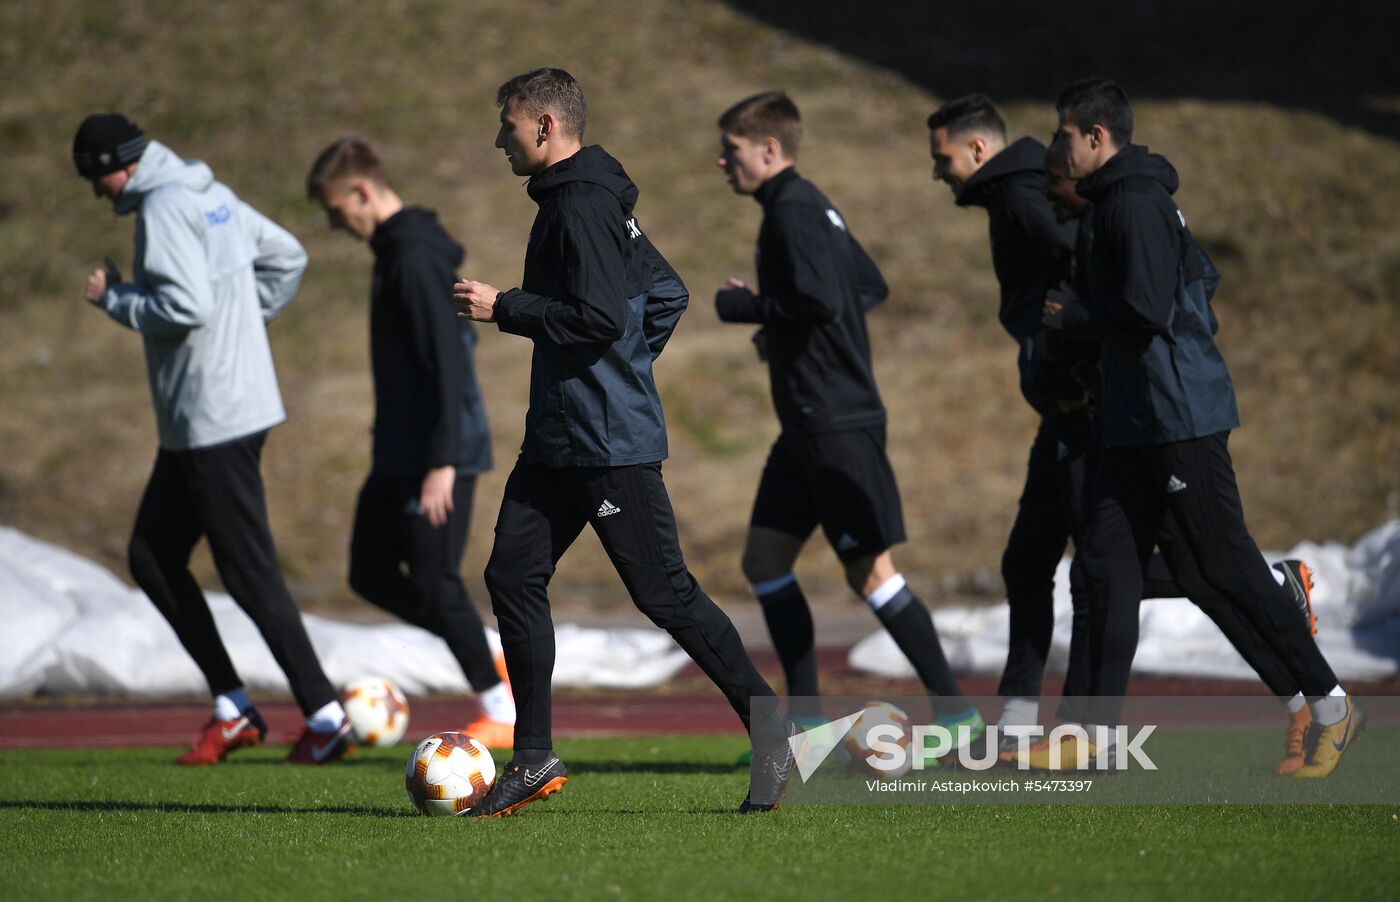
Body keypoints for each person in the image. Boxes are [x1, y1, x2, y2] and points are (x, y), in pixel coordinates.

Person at [929, 95, 1321, 772]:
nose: (934, 172)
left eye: (940, 158)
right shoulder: (1028, 194)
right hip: (1076, 402)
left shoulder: (1031, 199)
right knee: (1051, 562)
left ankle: (1271, 611)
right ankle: (1030, 723)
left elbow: (1098, 283)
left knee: (1127, 569)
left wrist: (1070, 353)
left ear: (975, 152)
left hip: (1098, 408)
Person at [453, 68, 792, 817]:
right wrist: (623, 368)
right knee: (512, 576)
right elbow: (665, 294)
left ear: (545, 126)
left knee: (665, 595)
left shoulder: (579, 206)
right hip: (559, 439)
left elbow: (600, 317)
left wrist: (502, 306)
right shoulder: (590, 198)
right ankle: (534, 759)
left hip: (606, 443)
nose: (498, 139)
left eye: (507, 124)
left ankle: (775, 733)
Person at [1041, 78, 1360, 776]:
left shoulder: (1136, 202)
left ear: (1096, 137)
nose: (1057, 146)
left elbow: (1149, 310)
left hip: (1177, 415)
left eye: (1064, 134)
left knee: (1222, 570)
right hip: (1134, 419)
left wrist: (1074, 319)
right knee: (1102, 564)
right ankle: (1087, 737)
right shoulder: (1111, 203)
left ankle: (1331, 703)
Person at [73, 114, 351, 765]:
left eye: (95, 176)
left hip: (211, 419)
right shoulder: (208, 192)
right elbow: (288, 255)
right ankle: (233, 705)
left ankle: (325, 715)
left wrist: (116, 298)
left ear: (117, 162)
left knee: (249, 575)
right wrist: (244, 329)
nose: (97, 191)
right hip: (218, 415)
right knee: (151, 554)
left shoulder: (165, 208)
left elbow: (187, 307)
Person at [714, 91, 978, 744]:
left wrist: (745, 310)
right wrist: (790, 329)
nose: (723, 163)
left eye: (732, 150)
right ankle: (804, 720)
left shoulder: (793, 213)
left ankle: (959, 717)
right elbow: (866, 288)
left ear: (769, 150)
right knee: (764, 559)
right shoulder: (812, 206)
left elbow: (821, 301)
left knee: (872, 574)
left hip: (836, 423)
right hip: (807, 425)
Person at [306, 137, 515, 748]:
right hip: (399, 447)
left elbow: (448, 363)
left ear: (362, 191)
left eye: (337, 209)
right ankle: (486, 654)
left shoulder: (416, 255)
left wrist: (442, 462)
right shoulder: (393, 251)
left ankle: (501, 707)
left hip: (437, 450)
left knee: (434, 578)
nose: (334, 222)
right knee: (368, 571)